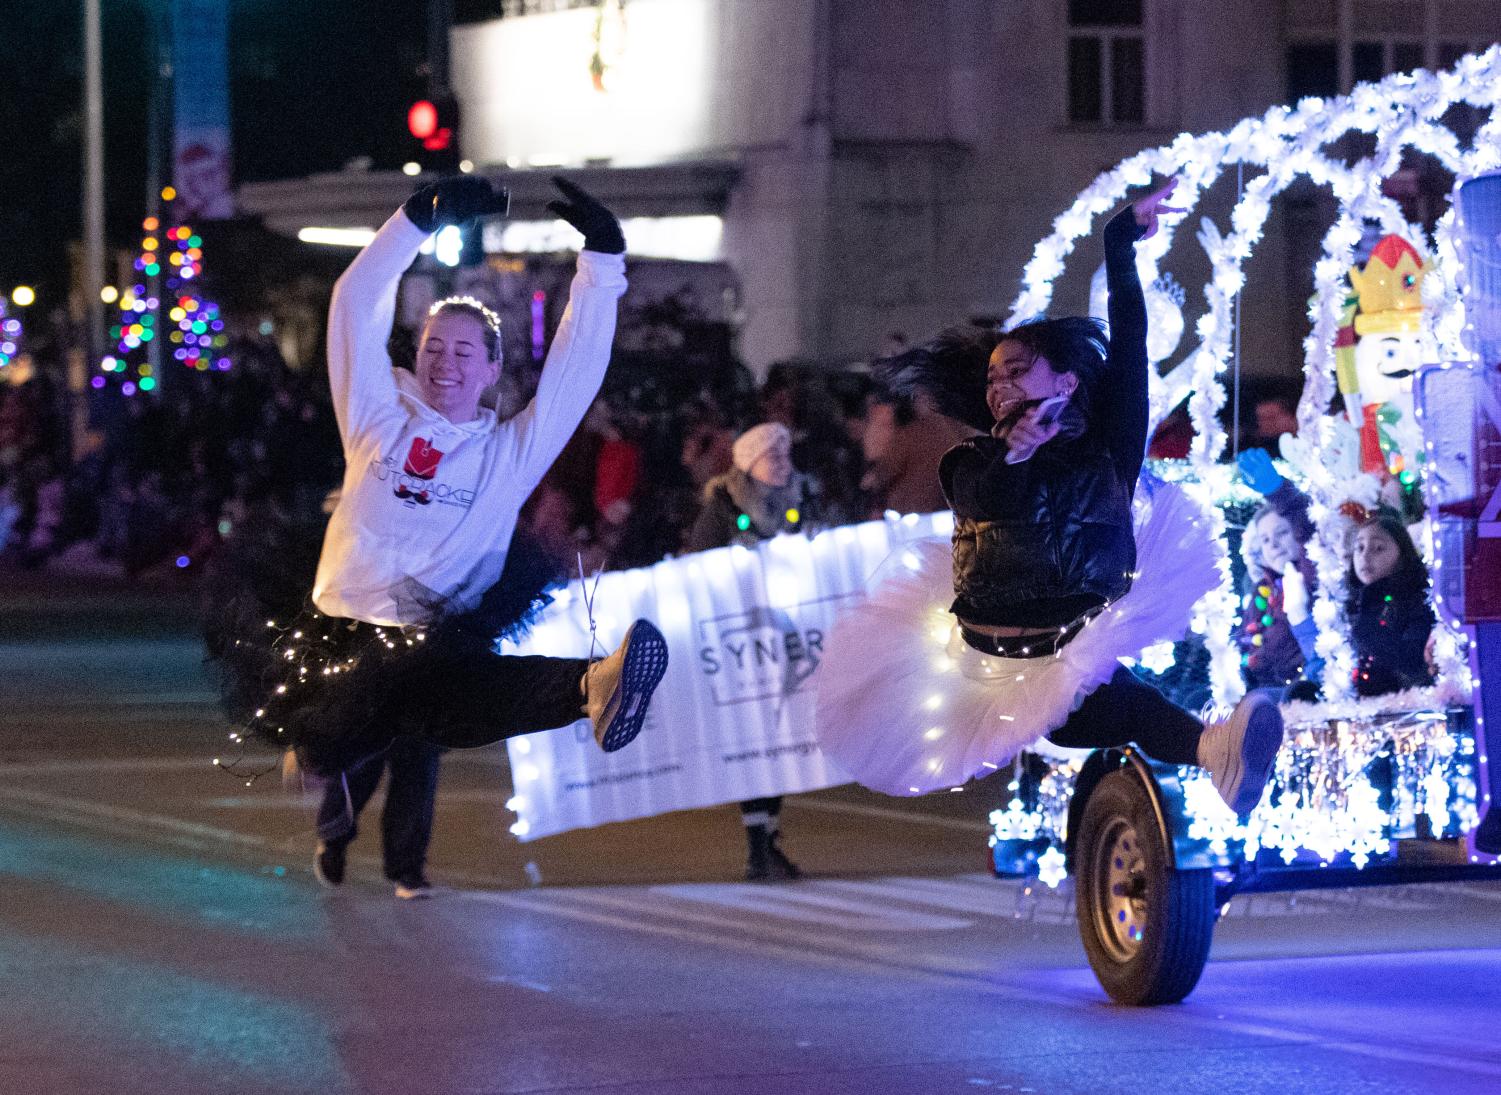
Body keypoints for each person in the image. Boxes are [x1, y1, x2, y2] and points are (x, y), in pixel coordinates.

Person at [209, 177, 669, 896]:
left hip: (432, 638)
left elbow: (575, 373)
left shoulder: (507, 452)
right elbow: (354, 306)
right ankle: (322, 767)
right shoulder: (376, 415)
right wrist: (413, 222)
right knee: (338, 728)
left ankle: (593, 683)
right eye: (434, 347)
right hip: (345, 631)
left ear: (491, 372)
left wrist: (602, 262)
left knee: (456, 707)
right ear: (416, 354)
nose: (445, 362)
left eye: (463, 353)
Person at [817, 178, 1284, 817]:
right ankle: (1210, 749)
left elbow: (1131, 342)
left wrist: (1119, 246)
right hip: (993, 652)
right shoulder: (973, 460)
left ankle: (1215, 753)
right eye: (993, 379)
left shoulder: (1110, 446)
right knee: (1071, 711)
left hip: (1073, 633)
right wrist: (1015, 450)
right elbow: (991, 498)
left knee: (1086, 703)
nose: (1000, 387)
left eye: (1015, 372)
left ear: (1064, 381)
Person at [684, 421, 818, 879]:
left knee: (781, 743)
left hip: (788, 641)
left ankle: (769, 841)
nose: (783, 464)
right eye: (773, 456)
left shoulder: (804, 500)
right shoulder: (723, 507)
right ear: (749, 464)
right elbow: (697, 565)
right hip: (740, 645)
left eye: (785, 455)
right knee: (753, 742)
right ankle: (758, 845)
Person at [1234, 448, 1319, 692]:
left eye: (1281, 533)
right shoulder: (1263, 590)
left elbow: (1305, 524)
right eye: (1266, 540)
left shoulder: (1311, 572)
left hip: (1304, 691)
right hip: (1266, 691)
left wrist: (1277, 490)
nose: (1274, 545)